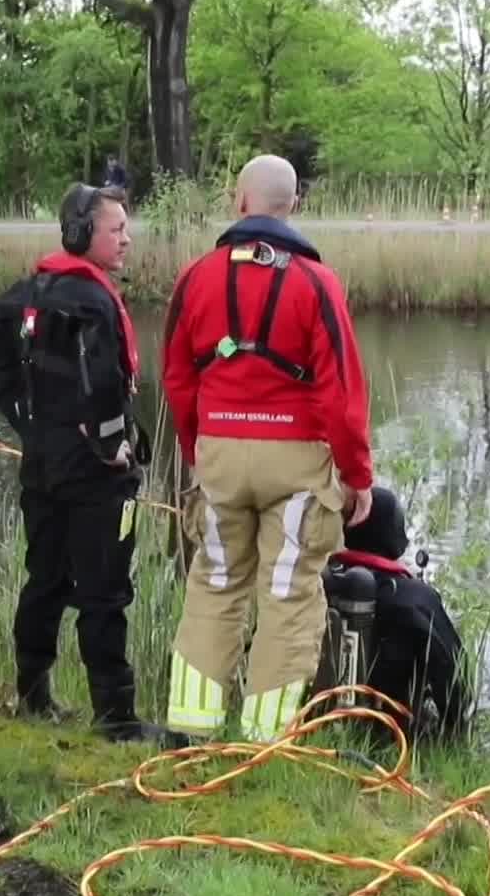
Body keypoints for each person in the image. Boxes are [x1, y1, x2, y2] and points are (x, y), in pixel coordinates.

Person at [160, 153, 374, 742]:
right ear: (294, 207)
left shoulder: (196, 277)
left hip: (221, 453)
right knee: (287, 593)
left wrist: (198, 448)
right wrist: (358, 475)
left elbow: (178, 376)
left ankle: (192, 729)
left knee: (215, 582)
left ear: (239, 200)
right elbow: (343, 392)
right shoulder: (316, 281)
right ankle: (265, 738)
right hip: (296, 460)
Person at [0, 182, 163, 743]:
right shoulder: (94, 299)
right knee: (105, 591)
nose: (126, 238)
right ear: (82, 233)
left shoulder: (28, 290)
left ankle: (32, 695)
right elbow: (104, 383)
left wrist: (32, 426)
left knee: (46, 578)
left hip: (42, 464)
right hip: (95, 474)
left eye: (127, 228)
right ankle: (117, 719)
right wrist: (111, 446)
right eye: (115, 229)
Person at [327, 487, 471, 742]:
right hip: (389, 736)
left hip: (313, 722)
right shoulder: (416, 597)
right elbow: (453, 671)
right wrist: (453, 728)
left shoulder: (313, 583)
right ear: (394, 537)